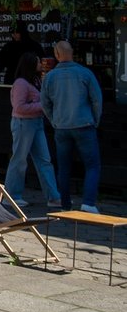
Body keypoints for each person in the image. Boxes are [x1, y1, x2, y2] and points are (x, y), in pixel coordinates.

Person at [41, 40, 103, 213]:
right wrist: (95, 120)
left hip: (61, 126)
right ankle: (88, 203)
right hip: (84, 123)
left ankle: (65, 204)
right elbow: (97, 100)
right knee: (92, 165)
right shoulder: (85, 73)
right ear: (72, 53)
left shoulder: (50, 77)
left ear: (57, 55)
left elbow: (44, 102)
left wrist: (54, 120)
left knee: (64, 167)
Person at [4, 52, 61, 208]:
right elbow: (19, 107)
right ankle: (11, 195)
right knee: (20, 159)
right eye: (37, 62)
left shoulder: (35, 80)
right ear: (29, 65)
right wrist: (42, 105)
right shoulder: (21, 83)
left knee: (44, 159)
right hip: (23, 124)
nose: (40, 65)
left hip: (36, 123)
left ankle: (53, 197)